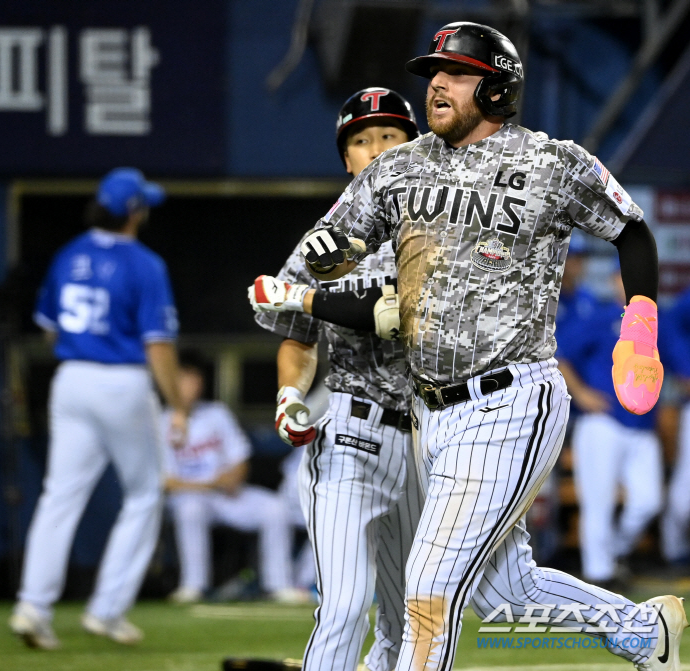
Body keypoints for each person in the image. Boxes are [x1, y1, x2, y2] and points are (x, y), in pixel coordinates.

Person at [296, 22, 684, 671]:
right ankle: (645, 630)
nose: (437, 85)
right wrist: (326, 258)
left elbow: (634, 234)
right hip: (431, 414)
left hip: (510, 400)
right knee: (508, 591)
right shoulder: (401, 165)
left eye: (455, 73)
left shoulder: (551, 161)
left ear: (498, 86)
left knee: (429, 588)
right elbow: (334, 243)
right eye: (432, 74)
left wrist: (639, 327)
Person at [251, 88, 424, 671]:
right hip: (352, 435)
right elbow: (297, 339)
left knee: (413, 622)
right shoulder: (321, 244)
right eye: (360, 139)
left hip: (431, 442)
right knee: (347, 608)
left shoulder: (444, 229)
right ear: (345, 158)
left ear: (415, 146)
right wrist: (290, 396)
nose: (375, 150)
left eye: (389, 136)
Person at [10, 168, 187, 649]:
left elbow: (49, 328)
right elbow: (158, 346)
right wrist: (178, 405)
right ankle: (107, 610)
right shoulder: (144, 264)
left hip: (70, 379)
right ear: (133, 212)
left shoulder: (69, 255)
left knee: (59, 495)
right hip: (121, 380)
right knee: (145, 493)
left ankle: (32, 605)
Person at [163, 351, 298, 604]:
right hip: (187, 498)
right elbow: (165, 482)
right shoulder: (159, 420)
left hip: (226, 495)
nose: (191, 386)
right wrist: (210, 483)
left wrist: (234, 476)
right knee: (190, 509)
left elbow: (240, 457)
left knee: (275, 508)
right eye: (184, 379)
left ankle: (279, 585)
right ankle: (193, 586)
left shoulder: (216, 413)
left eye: (195, 379)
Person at [557, 269, 663, 588]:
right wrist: (581, 392)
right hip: (602, 421)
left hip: (643, 425)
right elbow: (560, 355)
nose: (626, 282)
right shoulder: (603, 316)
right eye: (620, 278)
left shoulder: (658, 322)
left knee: (648, 501)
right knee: (597, 501)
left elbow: (677, 360)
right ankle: (599, 575)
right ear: (613, 281)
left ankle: (613, 553)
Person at [661, 285, 690, 565]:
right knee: (685, 492)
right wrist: (685, 369)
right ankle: (673, 551)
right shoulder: (685, 302)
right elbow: (668, 330)